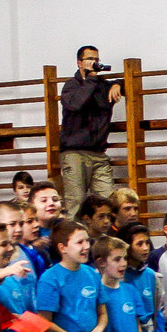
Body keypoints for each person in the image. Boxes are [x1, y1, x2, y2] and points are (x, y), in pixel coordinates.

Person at [33, 219, 107, 332]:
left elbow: (102, 312)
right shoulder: (50, 279)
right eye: (80, 242)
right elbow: (44, 323)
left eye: (87, 241)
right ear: (62, 248)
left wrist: (98, 331)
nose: (86, 247)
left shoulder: (92, 274)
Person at [59, 45, 123, 212]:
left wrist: (118, 84)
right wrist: (91, 78)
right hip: (74, 153)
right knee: (76, 203)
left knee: (108, 201)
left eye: (96, 59)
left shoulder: (103, 86)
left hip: (99, 153)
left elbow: (127, 83)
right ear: (79, 63)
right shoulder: (71, 86)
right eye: (90, 59)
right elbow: (76, 103)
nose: (94, 62)